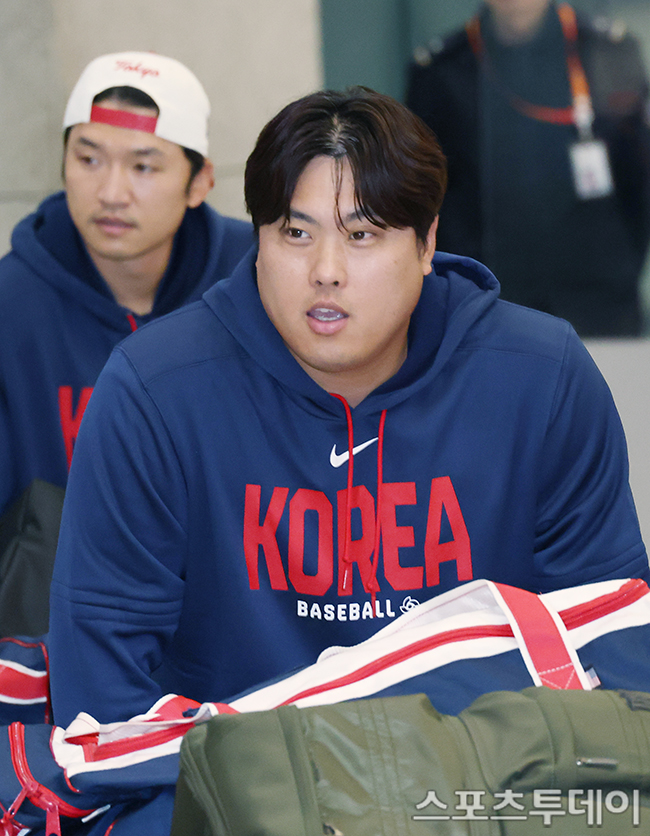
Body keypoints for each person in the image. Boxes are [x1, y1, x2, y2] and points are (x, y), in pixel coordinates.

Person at [50, 85, 649, 733]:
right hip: (234, 780)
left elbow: (610, 645)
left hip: (486, 776)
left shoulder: (539, 377)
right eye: (295, 233)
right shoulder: (155, 390)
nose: (326, 270)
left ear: (426, 244)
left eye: (362, 234)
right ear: (257, 240)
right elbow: (101, 691)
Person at [0, 51, 254, 519]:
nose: (111, 194)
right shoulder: (12, 304)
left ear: (199, 182)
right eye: (89, 159)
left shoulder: (257, 282)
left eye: (143, 167)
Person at [407, 0, 650, 337]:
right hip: (488, 299)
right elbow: (427, 196)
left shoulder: (608, 50)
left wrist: (615, 270)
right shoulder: (440, 69)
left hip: (599, 301)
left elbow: (638, 183)